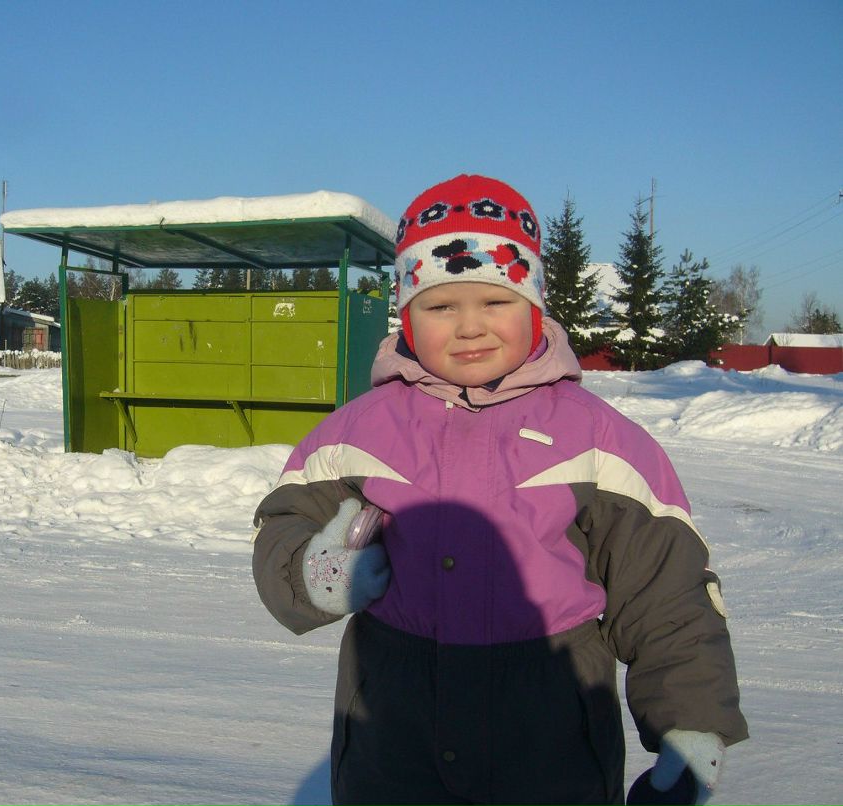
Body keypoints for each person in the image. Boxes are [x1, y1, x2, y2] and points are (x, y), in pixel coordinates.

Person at [251, 174, 747, 805]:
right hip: (395, 746)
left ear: (535, 306)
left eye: (495, 303)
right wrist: (311, 570)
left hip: (550, 745)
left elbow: (666, 593)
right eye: (440, 307)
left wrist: (690, 723)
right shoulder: (357, 432)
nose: (469, 328)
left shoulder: (598, 440)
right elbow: (285, 521)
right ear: (406, 315)